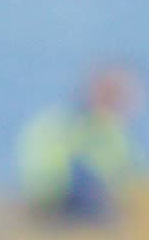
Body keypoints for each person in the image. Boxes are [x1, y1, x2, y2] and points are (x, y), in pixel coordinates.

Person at [17, 64, 142, 220]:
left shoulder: (110, 127)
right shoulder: (72, 121)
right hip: (57, 192)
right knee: (82, 173)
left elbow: (128, 167)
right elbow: (51, 171)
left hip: (66, 191)